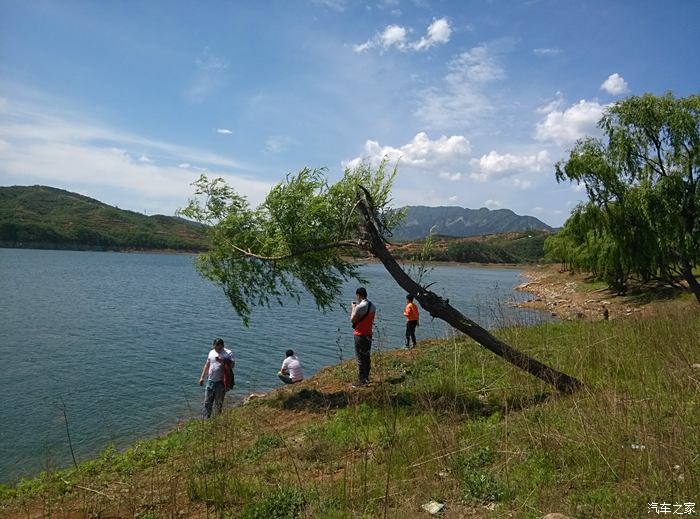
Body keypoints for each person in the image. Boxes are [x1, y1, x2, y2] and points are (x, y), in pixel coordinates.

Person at [199, 338, 235, 418]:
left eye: (219, 348)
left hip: (221, 382)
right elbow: (207, 365)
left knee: (218, 403)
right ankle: (206, 420)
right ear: (213, 346)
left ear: (223, 346)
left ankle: (217, 421)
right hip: (210, 381)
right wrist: (202, 378)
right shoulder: (211, 352)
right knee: (207, 403)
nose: (217, 350)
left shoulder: (228, 353)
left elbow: (232, 365)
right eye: (215, 347)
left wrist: (224, 361)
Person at [350, 287, 376, 387]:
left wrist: (353, 308)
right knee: (367, 356)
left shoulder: (359, 307)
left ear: (358, 295)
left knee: (360, 358)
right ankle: (366, 378)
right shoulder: (372, 305)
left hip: (360, 334)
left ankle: (361, 381)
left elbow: (352, 319)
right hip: (369, 333)